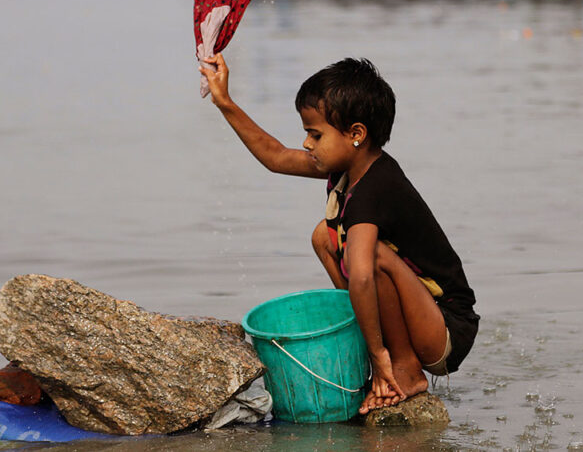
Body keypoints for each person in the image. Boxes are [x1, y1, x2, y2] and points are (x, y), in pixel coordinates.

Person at [199, 54, 478, 415]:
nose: (306, 144)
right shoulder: (350, 166)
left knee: (369, 255)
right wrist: (224, 101)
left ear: (356, 135)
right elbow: (276, 157)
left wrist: (379, 358)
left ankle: (404, 368)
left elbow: (363, 275)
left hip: (446, 328)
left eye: (315, 134)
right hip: (419, 309)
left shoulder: (375, 189)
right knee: (324, 236)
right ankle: (378, 346)